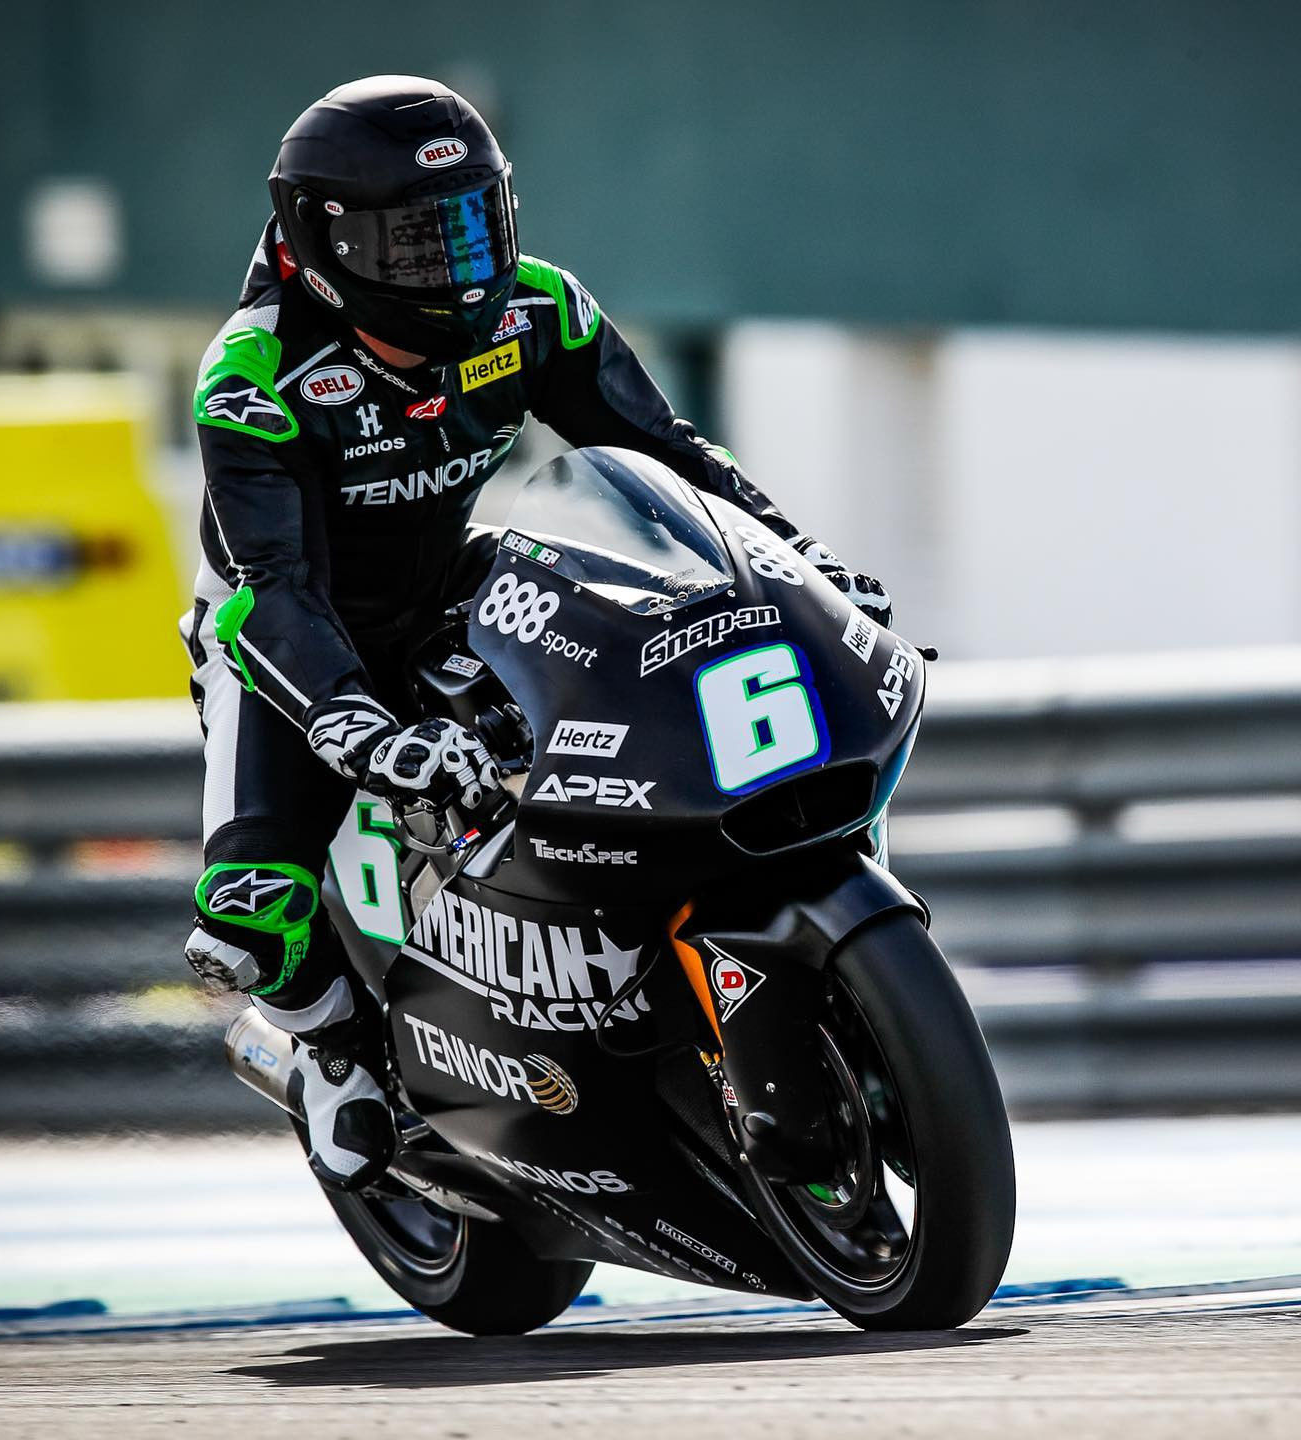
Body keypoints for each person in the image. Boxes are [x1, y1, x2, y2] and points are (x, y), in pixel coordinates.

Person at [182, 75, 892, 1191]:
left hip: (457, 587)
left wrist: (800, 564)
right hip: (292, 647)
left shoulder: (537, 311)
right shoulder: (257, 377)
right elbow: (270, 591)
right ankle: (331, 1052)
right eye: (415, 243)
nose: (454, 265)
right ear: (324, 242)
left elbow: (670, 458)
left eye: (471, 224)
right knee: (244, 923)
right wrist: (362, 728)